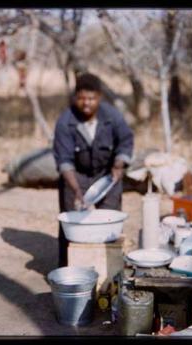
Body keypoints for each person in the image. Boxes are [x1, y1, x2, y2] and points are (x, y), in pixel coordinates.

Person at [53, 73, 134, 267]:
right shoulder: (65, 121)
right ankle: (70, 272)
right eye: (81, 98)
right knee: (72, 226)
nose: (86, 103)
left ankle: (110, 271)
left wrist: (119, 164)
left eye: (91, 98)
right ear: (75, 97)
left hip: (108, 175)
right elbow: (64, 161)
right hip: (76, 176)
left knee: (110, 224)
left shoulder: (112, 115)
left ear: (99, 97)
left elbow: (126, 141)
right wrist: (76, 190)